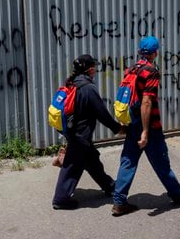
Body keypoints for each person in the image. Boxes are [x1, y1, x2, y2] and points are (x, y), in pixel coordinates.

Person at [112, 36, 180, 216]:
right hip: (149, 126)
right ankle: (177, 194)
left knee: (128, 161)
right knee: (161, 161)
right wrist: (145, 131)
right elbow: (146, 102)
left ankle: (119, 202)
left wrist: (125, 123)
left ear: (139, 52)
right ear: (155, 53)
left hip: (132, 122)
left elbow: (125, 98)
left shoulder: (130, 70)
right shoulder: (150, 71)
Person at [52, 54, 125, 210]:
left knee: (92, 160)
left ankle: (110, 186)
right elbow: (101, 113)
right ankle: (60, 199)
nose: (96, 71)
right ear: (90, 69)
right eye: (95, 68)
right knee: (72, 166)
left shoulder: (71, 82)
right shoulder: (88, 88)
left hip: (73, 132)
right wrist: (118, 128)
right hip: (80, 136)